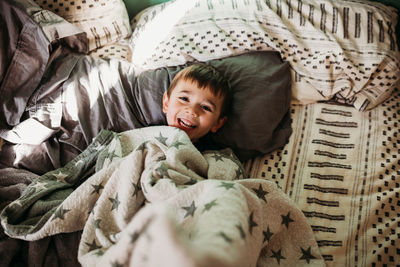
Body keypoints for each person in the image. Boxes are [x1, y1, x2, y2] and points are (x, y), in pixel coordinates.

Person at [162, 63, 232, 149]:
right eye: (184, 99)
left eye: (206, 107)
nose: (192, 110)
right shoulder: (146, 134)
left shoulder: (214, 155)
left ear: (217, 123)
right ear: (166, 103)